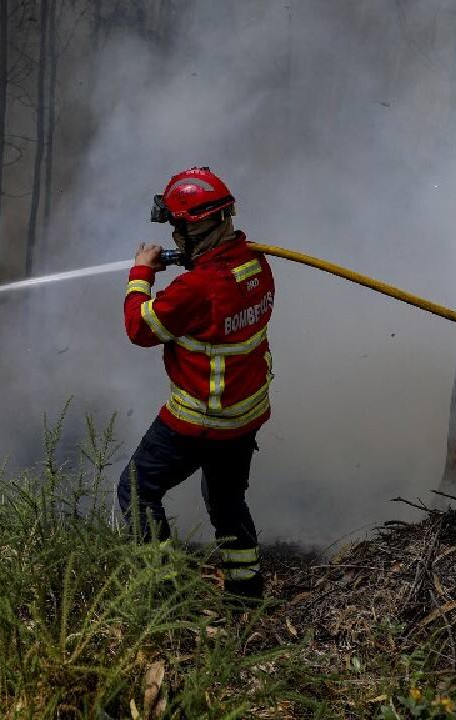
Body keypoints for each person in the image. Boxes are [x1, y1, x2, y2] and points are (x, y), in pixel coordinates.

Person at [119, 167, 275, 599]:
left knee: (136, 490)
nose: (173, 238)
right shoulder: (256, 267)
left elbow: (140, 328)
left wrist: (141, 274)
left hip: (199, 420)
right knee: (227, 504)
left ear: (194, 226)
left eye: (175, 227)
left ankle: (164, 595)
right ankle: (246, 596)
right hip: (244, 418)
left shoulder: (196, 288)